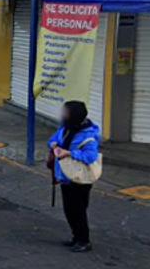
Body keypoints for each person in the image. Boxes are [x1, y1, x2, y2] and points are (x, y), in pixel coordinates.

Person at [48, 100, 101, 253]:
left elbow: (90, 156)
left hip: (80, 179)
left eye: (66, 112)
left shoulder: (87, 134)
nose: (63, 114)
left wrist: (69, 153)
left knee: (78, 211)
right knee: (69, 210)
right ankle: (76, 237)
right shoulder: (64, 128)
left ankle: (84, 241)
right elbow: (52, 139)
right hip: (65, 176)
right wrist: (53, 144)